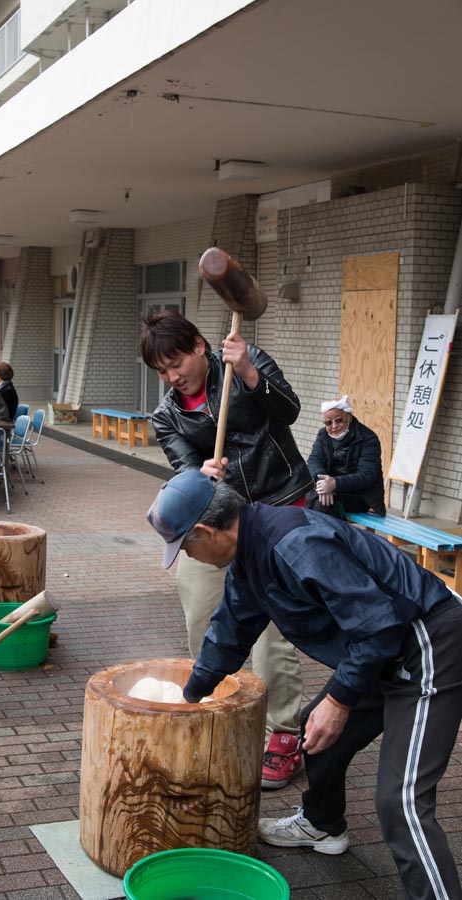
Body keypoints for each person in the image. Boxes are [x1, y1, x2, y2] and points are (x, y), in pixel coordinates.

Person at [147, 470, 462, 900]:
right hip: (380, 650)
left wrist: (340, 698)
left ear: (205, 531)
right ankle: (322, 824)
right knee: (319, 731)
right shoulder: (249, 554)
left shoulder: (295, 544)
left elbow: (378, 625)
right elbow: (230, 629)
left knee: (400, 803)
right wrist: (190, 697)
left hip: (426, 644)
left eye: (185, 547)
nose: (188, 556)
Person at [140, 310, 313, 788]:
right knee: (204, 618)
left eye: (176, 363)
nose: (172, 377)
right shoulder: (166, 415)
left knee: (272, 633)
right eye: (161, 371)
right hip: (217, 524)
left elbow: (290, 411)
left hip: (276, 511)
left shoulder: (242, 361)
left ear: (200, 346)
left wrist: (254, 375)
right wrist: (199, 474)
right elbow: (184, 471)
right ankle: (217, 709)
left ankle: (282, 734)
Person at [306, 395, 386, 518]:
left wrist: (335, 484)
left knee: (320, 503)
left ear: (349, 416)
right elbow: (314, 459)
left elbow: (367, 475)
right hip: (331, 489)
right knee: (305, 497)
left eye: (339, 420)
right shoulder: (323, 435)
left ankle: (329, 536)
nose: (334, 426)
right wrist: (322, 480)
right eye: (328, 423)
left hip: (361, 496)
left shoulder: (368, 438)